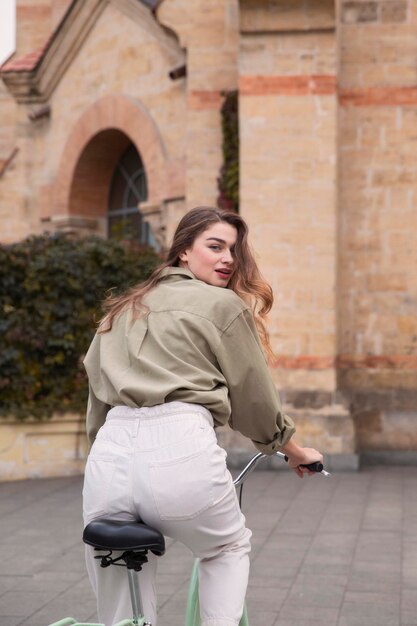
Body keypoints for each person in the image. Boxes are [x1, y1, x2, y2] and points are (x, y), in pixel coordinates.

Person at [82, 206, 323, 626]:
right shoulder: (220, 304)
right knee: (226, 547)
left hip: (109, 456)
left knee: (116, 568)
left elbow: (97, 402)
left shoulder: (120, 310)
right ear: (183, 253)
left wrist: (107, 451)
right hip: (181, 448)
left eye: (233, 250)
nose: (228, 258)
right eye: (215, 246)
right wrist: (294, 450)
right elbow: (255, 400)